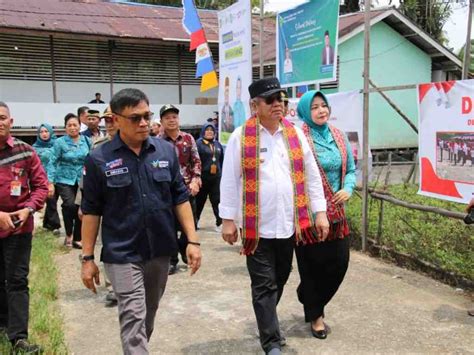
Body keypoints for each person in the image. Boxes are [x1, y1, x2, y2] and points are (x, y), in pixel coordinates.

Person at [80, 88, 201, 355]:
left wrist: (192, 241)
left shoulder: (165, 152)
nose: (144, 123)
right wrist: (87, 258)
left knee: (147, 315)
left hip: (159, 249)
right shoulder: (100, 158)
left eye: (146, 116)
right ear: (116, 119)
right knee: (133, 314)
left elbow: (180, 198)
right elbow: (91, 211)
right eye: (136, 118)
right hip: (122, 252)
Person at [220, 77, 329, 355]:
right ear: (255, 105)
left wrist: (320, 212)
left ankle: (267, 321)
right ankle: (271, 343)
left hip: (290, 225)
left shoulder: (295, 134)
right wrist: (228, 220)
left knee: (280, 278)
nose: (278, 104)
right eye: (271, 100)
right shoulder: (241, 137)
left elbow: (312, 175)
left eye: (280, 99)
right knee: (264, 284)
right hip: (257, 229)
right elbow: (230, 180)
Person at [296, 90, 356, 339]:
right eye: (315, 107)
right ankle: (316, 316)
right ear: (304, 112)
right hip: (308, 216)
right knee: (312, 268)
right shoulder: (299, 138)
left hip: (337, 215)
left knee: (340, 263)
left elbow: (351, 169)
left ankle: (306, 296)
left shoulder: (339, 136)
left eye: (324, 106)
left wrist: (348, 188)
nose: (321, 111)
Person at [0, 101, 48, 354]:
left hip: (19, 228)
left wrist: (28, 208)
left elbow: (41, 186)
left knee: (17, 280)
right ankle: (2, 323)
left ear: (11, 121)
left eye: (2, 117)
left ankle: (18, 337)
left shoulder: (26, 151)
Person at [159, 104, 202, 275]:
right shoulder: (157, 142)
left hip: (186, 189)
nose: (171, 120)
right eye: (167, 117)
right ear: (162, 121)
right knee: (168, 227)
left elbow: (196, 161)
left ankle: (186, 248)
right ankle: (171, 260)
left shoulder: (188, 139)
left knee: (188, 225)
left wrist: (196, 179)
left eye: (174, 117)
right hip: (165, 190)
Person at [50, 113, 91, 248]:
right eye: (69, 125)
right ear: (65, 127)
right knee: (70, 205)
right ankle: (69, 234)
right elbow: (52, 161)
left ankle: (78, 237)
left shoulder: (86, 141)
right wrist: (49, 181)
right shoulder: (59, 142)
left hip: (82, 180)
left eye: (75, 125)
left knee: (81, 207)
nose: (72, 128)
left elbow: (92, 160)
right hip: (64, 179)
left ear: (80, 126)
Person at [32, 123, 60, 233]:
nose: (44, 134)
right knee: (51, 200)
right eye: (41, 132)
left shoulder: (57, 145)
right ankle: (55, 225)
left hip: (58, 176)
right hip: (42, 178)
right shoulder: (34, 148)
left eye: (46, 131)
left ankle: (48, 224)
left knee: (52, 200)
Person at [196, 122, 224, 232]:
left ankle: (219, 222)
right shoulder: (198, 144)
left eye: (211, 130)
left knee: (217, 200)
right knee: (199, 201)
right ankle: (194, 221)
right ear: (203, 131)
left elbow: (221, 160)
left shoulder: (217, 145)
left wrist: (220, 173)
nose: (209, 132)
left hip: (215, 178)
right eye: (207, 130)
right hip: (203, 177)